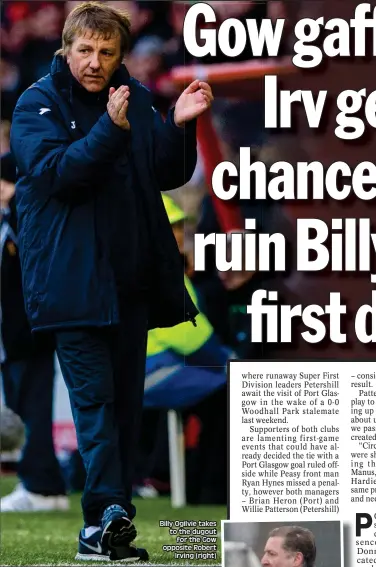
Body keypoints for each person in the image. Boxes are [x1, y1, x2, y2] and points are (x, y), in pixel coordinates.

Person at [10, 1, 213, 562]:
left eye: (106, 52)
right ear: (65, 49)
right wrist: (109, 129)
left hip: (130, 283)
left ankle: (105, 529)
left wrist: (178, 124)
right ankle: (104, 518)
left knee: (123, 408)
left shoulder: (138, 97)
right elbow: (57, 174)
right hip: (69, 285)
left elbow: (166, 172)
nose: (95, 62)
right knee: (96, 404)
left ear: (122, 55)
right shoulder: (37, 102)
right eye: (84, 50)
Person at [0, 152, 68, 512]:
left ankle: (39, 487)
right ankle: (48, 486)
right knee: (31, 410)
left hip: (26, 334)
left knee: (29, 413)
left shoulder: (21, 219)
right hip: (28, 333)